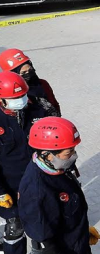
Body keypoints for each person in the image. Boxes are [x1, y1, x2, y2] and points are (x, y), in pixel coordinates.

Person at [18, 117, 100, 254]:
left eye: (73, 150)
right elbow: (46, 239)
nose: (74, 156)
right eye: (69, 153)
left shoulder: (56, 167)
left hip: (76, 241)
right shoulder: (37, 192)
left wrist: (81, 231)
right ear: (47, 154)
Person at [0, 72, 50, 254]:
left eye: (22, 95)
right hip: (9, 187)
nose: (20, 100)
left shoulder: (37, 110)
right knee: (15, 227)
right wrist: (1, 193)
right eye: (14, 98)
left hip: (38, 181)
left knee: (43, 221)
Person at [0, 48, 61, 116]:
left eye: (30, 70)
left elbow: (54, 104)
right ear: (14, 74)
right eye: (24, 72)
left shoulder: (43, 84)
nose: (28, 74)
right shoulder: (14, 95)